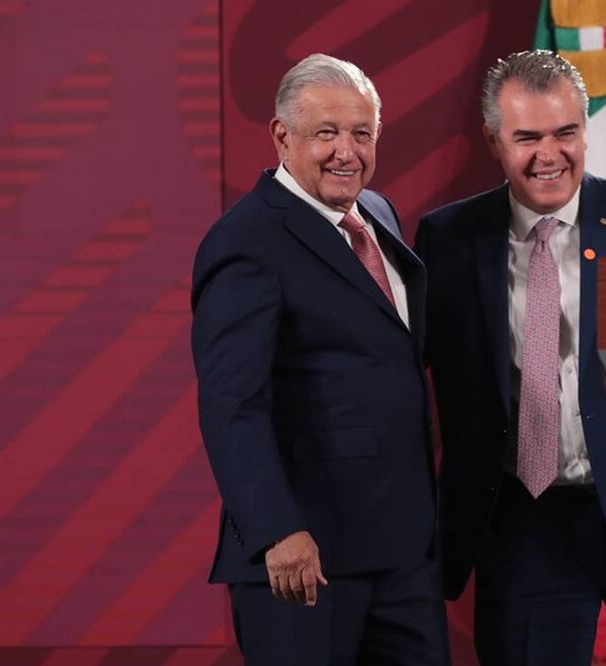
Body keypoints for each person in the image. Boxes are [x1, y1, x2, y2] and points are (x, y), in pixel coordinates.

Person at [415, 50, 606, 665]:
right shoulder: (448, 238)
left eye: (565, 133)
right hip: (523, 522)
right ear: (494, 140)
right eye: (527, 138)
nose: (550, 155)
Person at [191, 53, 447, 665]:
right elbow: (233, 404)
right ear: (282, 136)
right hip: (305, 562)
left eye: (362, 133)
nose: (346, 152)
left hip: (402, 553)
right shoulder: (245, 240)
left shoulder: (377, 215)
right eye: (326, 133)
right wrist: (277, 530)